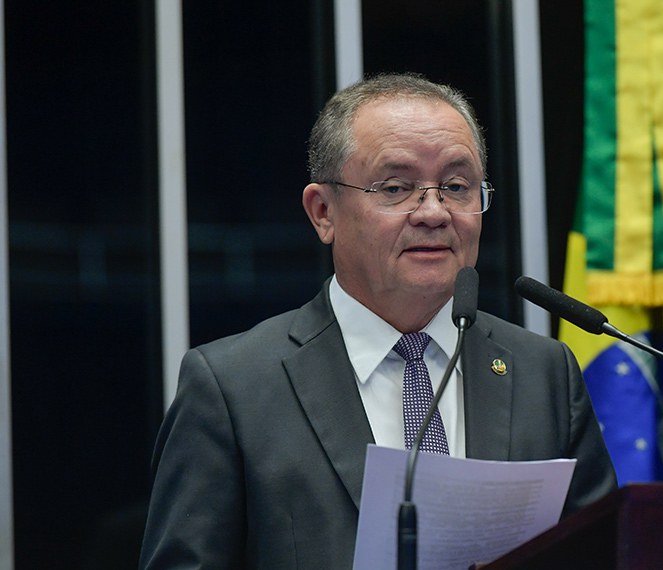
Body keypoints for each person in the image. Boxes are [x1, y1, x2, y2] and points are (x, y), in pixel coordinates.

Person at [139, 72, 616, 569]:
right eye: (395, 187)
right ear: (323, 212)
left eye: (456, 186)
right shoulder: (233, 389)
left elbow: (606, 554)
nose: (434, 212)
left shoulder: (544, 373)